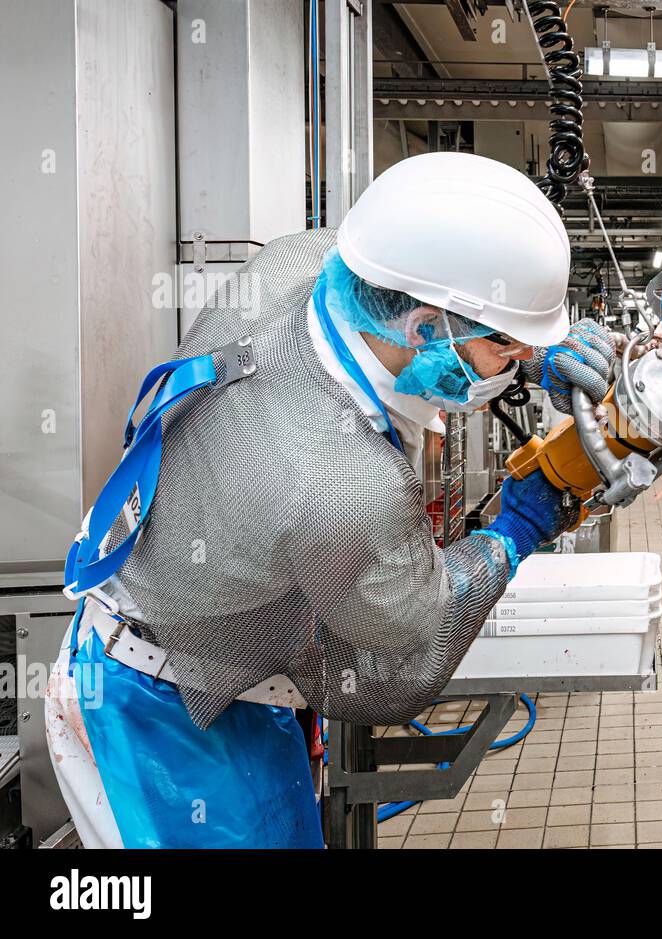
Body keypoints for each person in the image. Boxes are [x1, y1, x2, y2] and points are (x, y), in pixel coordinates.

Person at [46, 152, 620, 848]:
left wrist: (534, 350)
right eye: (506, 346)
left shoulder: (303, 264)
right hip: (154, 710)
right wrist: (518, 526)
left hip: (205, 644)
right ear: (426, 329)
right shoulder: (342, 486)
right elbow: (404, 664)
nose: (515, 364)